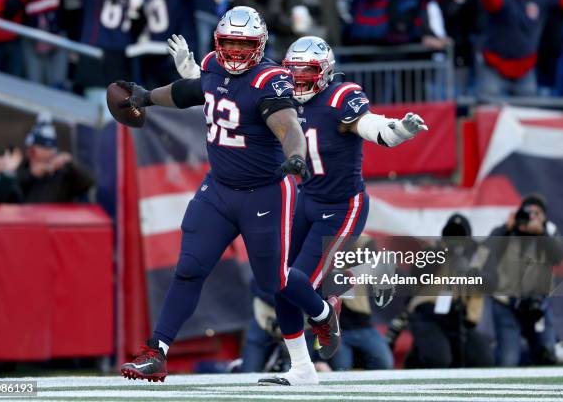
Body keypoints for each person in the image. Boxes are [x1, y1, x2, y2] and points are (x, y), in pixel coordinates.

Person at [171, 34, 427, 384]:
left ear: (324, 72)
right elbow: (220, 91)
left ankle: (325, 315)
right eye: (295, 72)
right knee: (281, 282)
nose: (299, 79)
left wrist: (398, 131)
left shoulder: (341, 98)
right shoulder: (277, 86)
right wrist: (188, 68)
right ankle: (303, 368)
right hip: (303, 199)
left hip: (340, 207)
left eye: (308, 73)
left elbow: (372, 126)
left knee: (299, 280)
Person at [115, 7, 342, 384]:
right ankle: (157, 352)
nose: (236, 51)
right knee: (189, 268)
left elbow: (286, 125)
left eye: (244, 43)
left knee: (276, 282)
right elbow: (190, 91)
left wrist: (297, 156)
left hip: (265, 193)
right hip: (219, 189)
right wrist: (146, 97)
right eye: (230, 42)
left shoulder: (270, 79)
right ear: (219, 43)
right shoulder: (211, 66)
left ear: (259, 45)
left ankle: (322, 313)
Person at [405, 214, 495, 368]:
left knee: (483, 359)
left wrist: (469, 268)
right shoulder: (432, 251)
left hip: (460, 317)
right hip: (428, 315)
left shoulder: (478, 255)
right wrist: (442, 252)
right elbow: (417, 274)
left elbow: (490, 285)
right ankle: (416, 361)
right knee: (439, 359)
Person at [488, 194, 563, 366]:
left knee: (547, 354)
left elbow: (558, 257)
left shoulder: (549, 231)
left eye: (536, 214)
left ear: (544, 216)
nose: (531, 218)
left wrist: (541, 233)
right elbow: (487, 253)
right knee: (508, 359)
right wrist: (506, 229)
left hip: (538, 304)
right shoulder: (508, 230)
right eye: (528, 213)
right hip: (507, 303)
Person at [478, 0, 563, 98]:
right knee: (487, 110)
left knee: (528, 111)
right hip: (494, 69)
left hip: (526, 71)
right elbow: (490, 1)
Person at [16, 113, 94, 203]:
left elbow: (89, 182)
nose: (30, 153)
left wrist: (70, 164)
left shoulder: (63, 171)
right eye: (30, 149)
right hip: (28, 215)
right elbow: (13, 188)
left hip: (56, 216)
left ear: (49, 150)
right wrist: (31, 174)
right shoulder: (24, 167)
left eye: (34, 149)